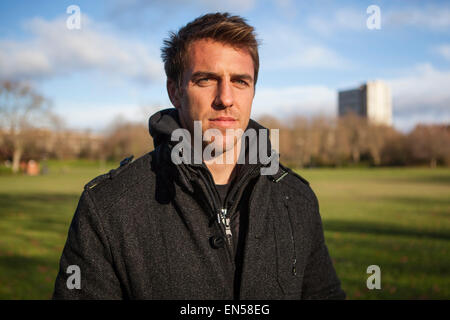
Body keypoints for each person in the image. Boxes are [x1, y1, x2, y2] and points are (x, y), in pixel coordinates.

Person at [53, 12, 345, 300]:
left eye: (241, 81)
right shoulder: (108, 208)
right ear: (175, 92)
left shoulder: (296, 198)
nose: (226, 99)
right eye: (206, 80)